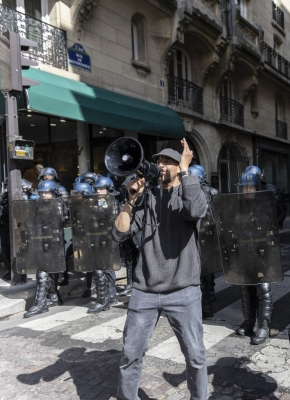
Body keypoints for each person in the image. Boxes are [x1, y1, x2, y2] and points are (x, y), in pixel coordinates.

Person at [111, 139, 208, 400]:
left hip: (183, 289)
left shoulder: (191, 189)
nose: (161, 165)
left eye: (167, 161)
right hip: (145, 290)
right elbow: (119, 234)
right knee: (130, 355)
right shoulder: (148, 197)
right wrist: (130, 201)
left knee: (195, 356)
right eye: (159, 161)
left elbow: (196, 210)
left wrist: (187, 172)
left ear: (180, 165)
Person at [233, 172, 274, 345]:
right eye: (245, 187)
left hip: (262, 253)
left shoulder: (265, 204)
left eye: (251, 187)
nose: (248, 190)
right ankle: (249, 320)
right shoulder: (238, 205)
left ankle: (264, 325)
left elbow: (274, 222)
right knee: (245, 288)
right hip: (244, 251)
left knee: (263, 289)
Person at [24, 180, 69, 317]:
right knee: (49, 270)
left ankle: (40, 304)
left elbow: (61, 221)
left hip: (54, 242)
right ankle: (53, 297)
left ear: (53, 192)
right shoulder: (38, 204)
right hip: (40, 241)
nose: (44, 195)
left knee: (43, 272)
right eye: (42, 192)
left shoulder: (59, 204)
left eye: (47, 192)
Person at [190, 164, 218, 318]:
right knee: (204, 274)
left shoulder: (210, 192)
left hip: (205, 237)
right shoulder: (188, 191)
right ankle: (205, 303)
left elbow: (216, 217)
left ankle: (205, 307)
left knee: (203, 275)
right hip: (199, 237)